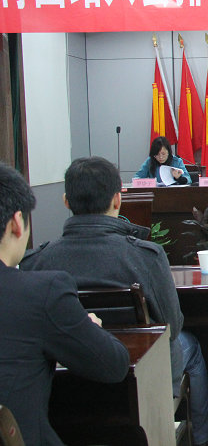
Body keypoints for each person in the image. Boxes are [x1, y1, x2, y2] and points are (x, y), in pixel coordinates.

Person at [21, 157, 208, 446]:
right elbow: (172, 326)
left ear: (65, 201)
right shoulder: (145, 256)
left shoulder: (37, 262)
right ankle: (201, 438)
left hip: (65, 382)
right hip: (139, 377)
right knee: (191, 345)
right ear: (117, 199)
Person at [0, 162, 129, 446]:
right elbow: (114, 365)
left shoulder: (38, 267)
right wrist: (87, 327)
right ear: (16, 223)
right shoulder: (41, 292)